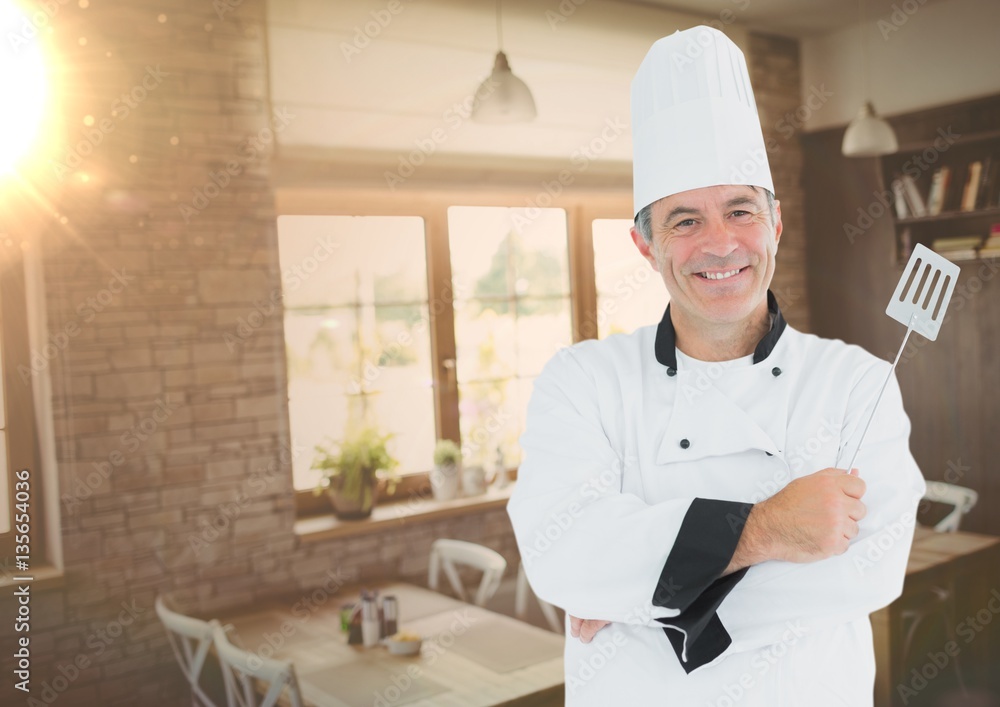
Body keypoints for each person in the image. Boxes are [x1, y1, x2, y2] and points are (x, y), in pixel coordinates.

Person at [507, 26, 925, 706]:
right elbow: (563, 553)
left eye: (740, 210)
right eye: (685, 221)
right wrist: (769, 527)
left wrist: (655, 606)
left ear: (776, 223)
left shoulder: (858, 383)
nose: (721, 243)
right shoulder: (581, 381)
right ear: (644, 243)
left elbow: (871, 570)